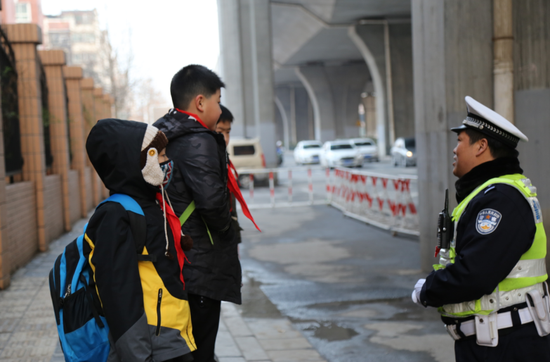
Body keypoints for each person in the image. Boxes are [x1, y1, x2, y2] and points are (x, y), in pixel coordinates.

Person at [411, 96, 550, 361]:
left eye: (460, 141)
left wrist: (428, 290)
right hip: (496, 340)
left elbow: (475, 274)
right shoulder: (488, 194)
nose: (454, 150)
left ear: (481, 146)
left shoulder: (500, 200)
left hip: (507, 345)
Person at [85, 119, 195, 362]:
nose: (168, 162)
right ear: (132, 162)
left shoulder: (151, 202)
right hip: (151, 350)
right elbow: (120, 299)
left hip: (173, 342)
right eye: (160, 156)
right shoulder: (114, 216)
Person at [154, 65, 240, 362]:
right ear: (200, 102)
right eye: (217, 101)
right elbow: (214, 204)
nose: (219, 110)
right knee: (202, 349)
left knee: (184, 348)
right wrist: (229, 231)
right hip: (200, 265)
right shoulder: (198, 140)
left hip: (175, 261)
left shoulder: (163, 133)